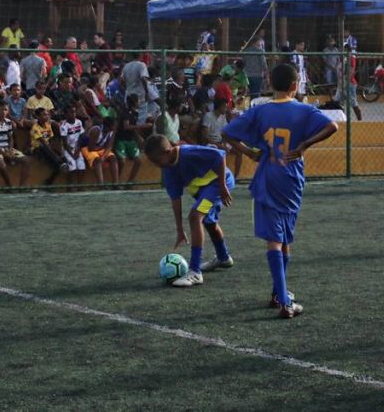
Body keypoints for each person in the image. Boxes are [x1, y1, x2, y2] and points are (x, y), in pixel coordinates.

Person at [222, 63, 338, 318]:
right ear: (295, 86)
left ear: (269, 83)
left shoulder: (259, 111)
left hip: (268, 176)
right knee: (285, 238)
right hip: (292, 179)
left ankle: (283, 299)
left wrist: (250, 152)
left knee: (274, 240)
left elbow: (227, 133)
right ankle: (280, 295)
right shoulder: (304, 110)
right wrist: (305, 144)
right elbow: (333, 127)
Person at [145, 135, 236, 287]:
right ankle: (223, 257)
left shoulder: (188, 153)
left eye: (156, 161)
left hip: (219, 184)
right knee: (209, 223)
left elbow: (219, 155)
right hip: (204, 190)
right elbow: (176, 200)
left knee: (195, 217)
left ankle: (195, 272)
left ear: (167, 152)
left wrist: (222, 185)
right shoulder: (168, 171)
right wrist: (180, 229)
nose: (156, 165)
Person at [0, 102, 30, 189]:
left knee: (26, 160)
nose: (3, 112)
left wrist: (10, 150)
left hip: (7, 147)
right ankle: (9, 186)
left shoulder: (9, 122)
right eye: (1, 109)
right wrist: (3, 153)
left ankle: (22, 187)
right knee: (1, 165)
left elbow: (11, 138)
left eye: (5, 110)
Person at [29, 107, 65, 185]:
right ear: (38, 117)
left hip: (48, 149)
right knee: (45, 149)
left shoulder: (48, 125)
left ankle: (48, 182)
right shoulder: (35, 128)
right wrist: (55, 155)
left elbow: (51, 139)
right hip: (37, 149)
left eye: (47, 114)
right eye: (44, 115)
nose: (47, 116)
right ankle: (59, 161)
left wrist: (57, 151)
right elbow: (43, 142)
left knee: (59, 164)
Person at [82, 117, 119, 186]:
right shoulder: (96, 130)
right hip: (87, 148)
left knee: (113, 158)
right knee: (97, 160)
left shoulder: (111, 132)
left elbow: (109, 146)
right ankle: (101, 185)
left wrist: (104, 156)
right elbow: (91, 148)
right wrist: (103, 147)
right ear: (108, 126)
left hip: (99, 148)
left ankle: (115, 184)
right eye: (113, 126)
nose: (115, 127)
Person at [58, 105, 86, 186]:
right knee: (72, 167)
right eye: (71, 112)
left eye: (74, 112)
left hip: (77, 148)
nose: (73, 114)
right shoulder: (64, 126)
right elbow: (65, 143)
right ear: (66, 114)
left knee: (82, 167)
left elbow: (81, 137)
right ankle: (70, 186)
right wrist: (72, 155)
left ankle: (79, 186)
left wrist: (78, 150)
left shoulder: (79, 122)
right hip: (68, 150)